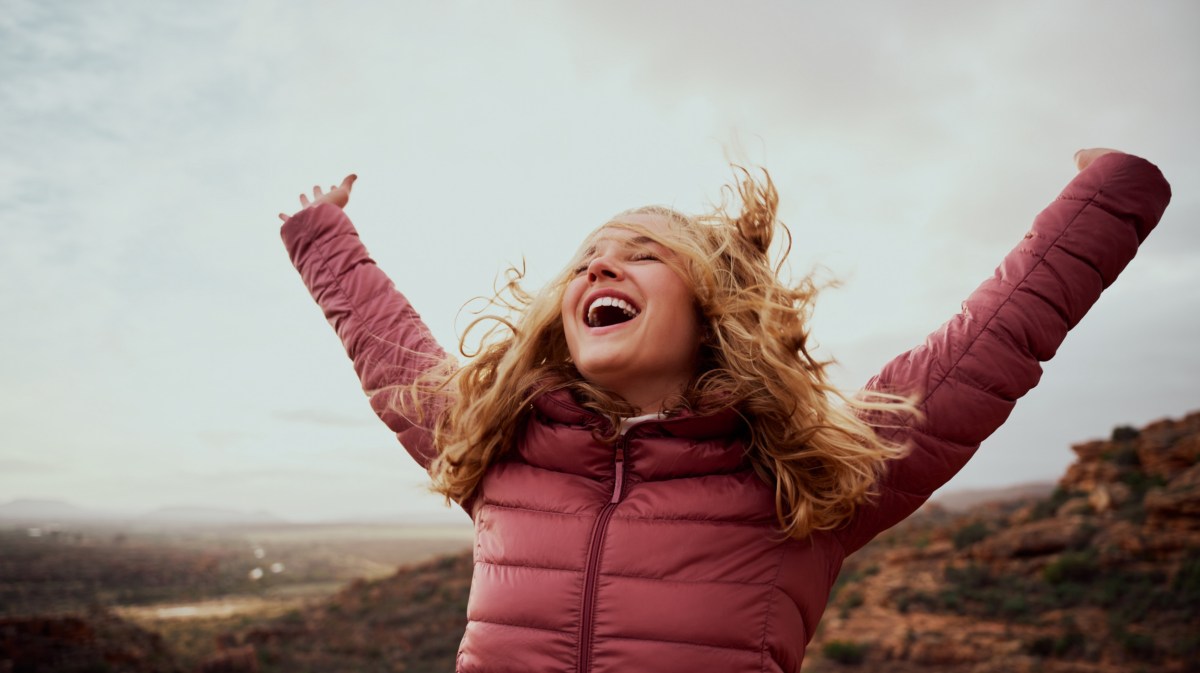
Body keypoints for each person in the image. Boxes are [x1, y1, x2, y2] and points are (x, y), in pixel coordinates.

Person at [278, 149, 1170, 672]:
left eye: (642, 255)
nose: (600, 267)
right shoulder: (502, 447)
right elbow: (390, 351)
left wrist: (1107, 193)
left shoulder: (803, 479)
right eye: (588, 257)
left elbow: (986, 348)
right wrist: (321, 232)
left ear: (713, 307)